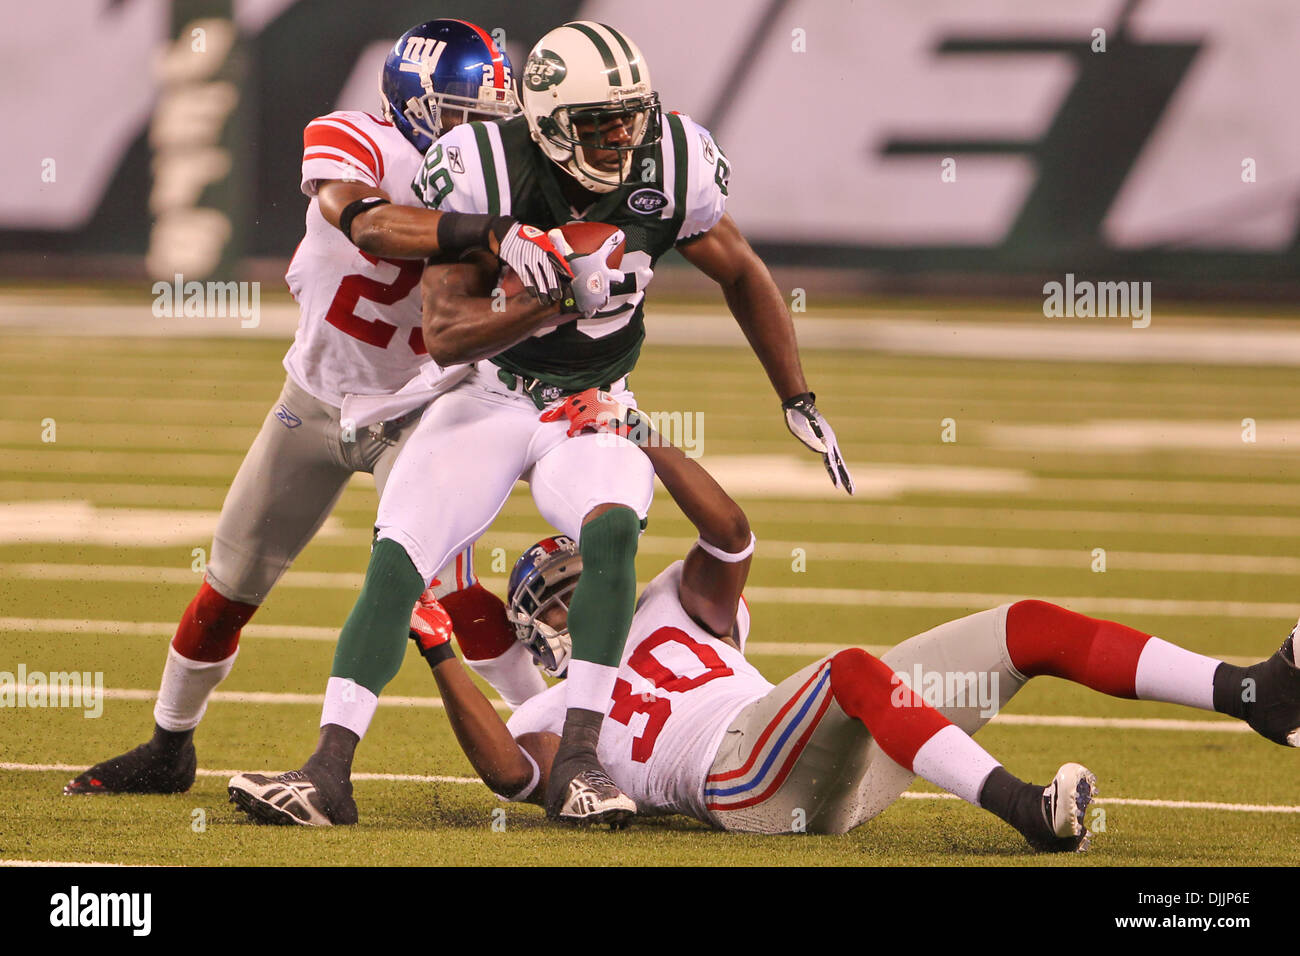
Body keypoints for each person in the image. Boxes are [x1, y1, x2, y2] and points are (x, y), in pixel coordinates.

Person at [227, 20, 855, 827]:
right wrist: (549, 296)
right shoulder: (484, 166)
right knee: (399, 554)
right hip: (488, 390)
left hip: (593, 398)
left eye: (630, 115)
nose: (622, 136)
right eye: (600, 121)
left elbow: (738, 266)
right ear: (553, 122)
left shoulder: (676, 157)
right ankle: (326, 772)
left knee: (612, 531)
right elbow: (448, 331)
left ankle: (585, 764)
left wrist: (795, 394)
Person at [406, 388, 1300, 847]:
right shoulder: (551, 718)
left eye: (579, 577)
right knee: (850, 668)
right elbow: (507, 776)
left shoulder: (670, 602)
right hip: (742, 786)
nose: (579, 596)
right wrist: (444, 652)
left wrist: (641, 438)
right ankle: (1026, 810)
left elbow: (731, 535)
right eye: (556, 596)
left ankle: (1254, 690)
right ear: (537, 632)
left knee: (1026, 625)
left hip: (830, 759)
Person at [65, 19, 573, 796]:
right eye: (463, 114)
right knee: (227, 587)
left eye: (491, 117)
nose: (481, 135)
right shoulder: (352, 137)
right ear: (412, 102)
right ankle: (169, 747)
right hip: (314, 398)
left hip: (423, 410)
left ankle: (561, 743)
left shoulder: (497, 173)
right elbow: (365, 219)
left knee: (449, 592)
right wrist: (495, 231)